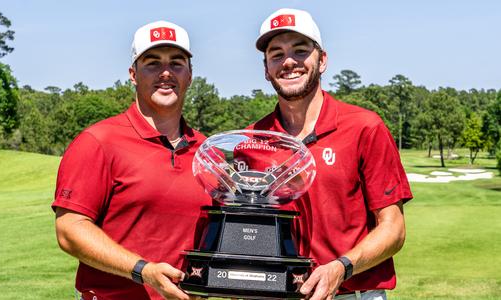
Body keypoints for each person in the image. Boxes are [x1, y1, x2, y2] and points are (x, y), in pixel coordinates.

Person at [249, 8, 413, 300]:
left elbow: (394, 229)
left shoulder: (365, 127)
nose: (288, 62)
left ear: (322, 60)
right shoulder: (251, 141)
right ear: (266, 69)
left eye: (300, 51)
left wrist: (342, 267)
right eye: (276, 54)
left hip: (351, 292)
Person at [52, 21, 210, 300]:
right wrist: (143, 270)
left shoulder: (209, 152)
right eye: (152, 63)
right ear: (133, 74)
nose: (165, 73)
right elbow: (70, 230)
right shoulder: (98, 141)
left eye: (176, 63)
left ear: (190, 74)